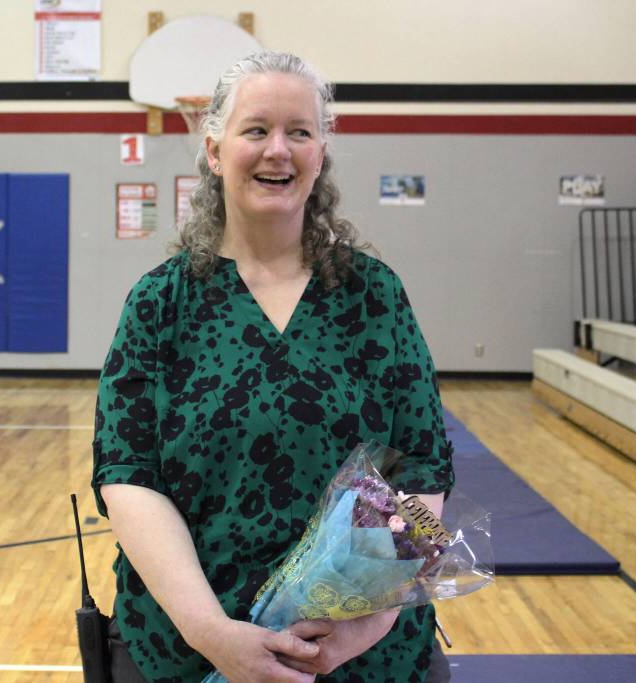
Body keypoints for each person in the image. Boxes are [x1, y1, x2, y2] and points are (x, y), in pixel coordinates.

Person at [93, 51, 455, 683]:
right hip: (187, 650)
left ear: (321, 153)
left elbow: (423, 467)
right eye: (256, 130)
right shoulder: (161, 302)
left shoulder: (374, 296)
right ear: (214, 150)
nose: (277, 150)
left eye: (300, 132)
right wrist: (213, 635)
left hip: (362, 657)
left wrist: (363, 624)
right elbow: (128, 477)